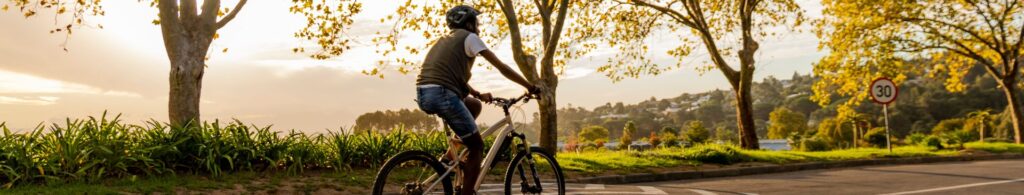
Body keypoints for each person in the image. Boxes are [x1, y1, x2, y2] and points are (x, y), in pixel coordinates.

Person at [415, 5, 538, 195]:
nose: (478, 26)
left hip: (425, 93)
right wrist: (529, 86)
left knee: (473, 105)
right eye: (476, 22)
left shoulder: (444, 40)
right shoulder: (469, 37)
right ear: (469, 23)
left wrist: (477, 94)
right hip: (443, 93)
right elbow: (501, 67)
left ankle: (449, 159)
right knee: (477, 146)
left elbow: (451, 76)